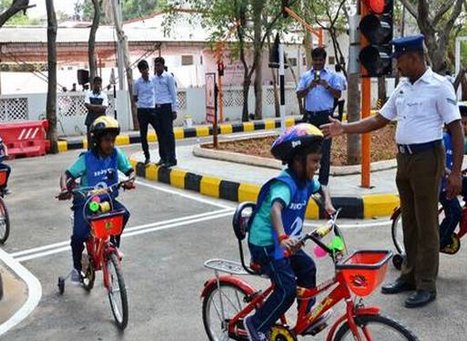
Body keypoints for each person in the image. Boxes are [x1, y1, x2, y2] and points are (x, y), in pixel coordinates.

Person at [321, 34, 464, 308]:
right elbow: (379, 119)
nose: (397, 66)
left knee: (426, 224)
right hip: (405, 160)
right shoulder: (403, 87)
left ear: (414, 58)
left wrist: (455, 172)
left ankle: (426, 284)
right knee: (409, 221)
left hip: (427, 159)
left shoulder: (439, 86)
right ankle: (409, 276)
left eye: (400, 60)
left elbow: (455, 129)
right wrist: (344, 128)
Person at [244, 123, 335, 340]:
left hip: (285, 245)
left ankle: (306, 316)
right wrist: (283, 238)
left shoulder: (304, 181)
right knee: (286, 289)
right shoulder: (285, 185)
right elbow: (276, 209)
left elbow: (321, 187)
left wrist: (327, 204)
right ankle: (255, 324)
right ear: (297, 161)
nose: (316, 166)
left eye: (318, 162)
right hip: (267, 244)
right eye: (314, 161)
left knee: (308, 268)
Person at [59, 116, 135, 284]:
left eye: (113, 140)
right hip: (86, 202)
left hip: (107, 200)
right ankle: (76, 269)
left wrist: (130, 179)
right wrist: (64, 189)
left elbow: (130, 170)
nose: (111, 144)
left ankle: (114, 246)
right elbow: (66, 175)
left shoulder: (116, 154)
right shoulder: (86, 159)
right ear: (97, 140)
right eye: (107, 140)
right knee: (79, 235)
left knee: (124, 214)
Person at [296, 47, 343, 195]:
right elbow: (299, 94)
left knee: (325, 152)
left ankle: (322, 185)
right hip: (309, 117)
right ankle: (306, 182)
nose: (317, 63)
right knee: (306, 150)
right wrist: (310, 87)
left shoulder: (332, 76)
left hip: (325, 117)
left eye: (320, 60)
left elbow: (338, 93)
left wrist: (326, 85)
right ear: (312, 60)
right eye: (315, 60)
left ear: (324, 60)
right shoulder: (305, 76)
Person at [439, 130, 462, 253]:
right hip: (439, 186)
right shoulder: (443, 139)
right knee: (455, 213)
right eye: (462, 124)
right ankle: (439, 242)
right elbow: (439, 166)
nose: (463, 127)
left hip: (449, 182)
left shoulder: (460, 141)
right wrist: (453, 175)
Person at [153, 57, 178, 168]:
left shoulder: (168, 77)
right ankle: (163, 157)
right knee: (160, 134)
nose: (157, 67)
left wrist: (174, 109)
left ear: (163, 65)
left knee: (168, 134)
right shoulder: (153, 79)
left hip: (166, 107)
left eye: (159, 65)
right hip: (157, 108)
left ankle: (172, 158)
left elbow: (173, 94)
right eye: (155, 65)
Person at [134, 60, 157, 165]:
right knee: (143, 135)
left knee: (160, 132)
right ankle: (147, 156)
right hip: (142, 110)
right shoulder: (137, 83)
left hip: (153, 109)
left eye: (146, 69)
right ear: (140, 71)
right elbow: (135, 97)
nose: (145, 71)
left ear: (149, 69)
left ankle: (163, 156)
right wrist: (141, 103)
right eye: (143, 70)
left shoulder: (154, 80)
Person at [84, 76, 108, 149]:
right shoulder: (88, 94)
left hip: (101, 120)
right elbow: (87, 105)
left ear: (101, 84)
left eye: (99, 84)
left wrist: (92, 107)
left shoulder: (104, 95)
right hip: (90, 120)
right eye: (96, 83)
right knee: (90, 140)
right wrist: (98, 107)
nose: (97, 85)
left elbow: (104, 107)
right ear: (93, 84)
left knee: (101, 139)